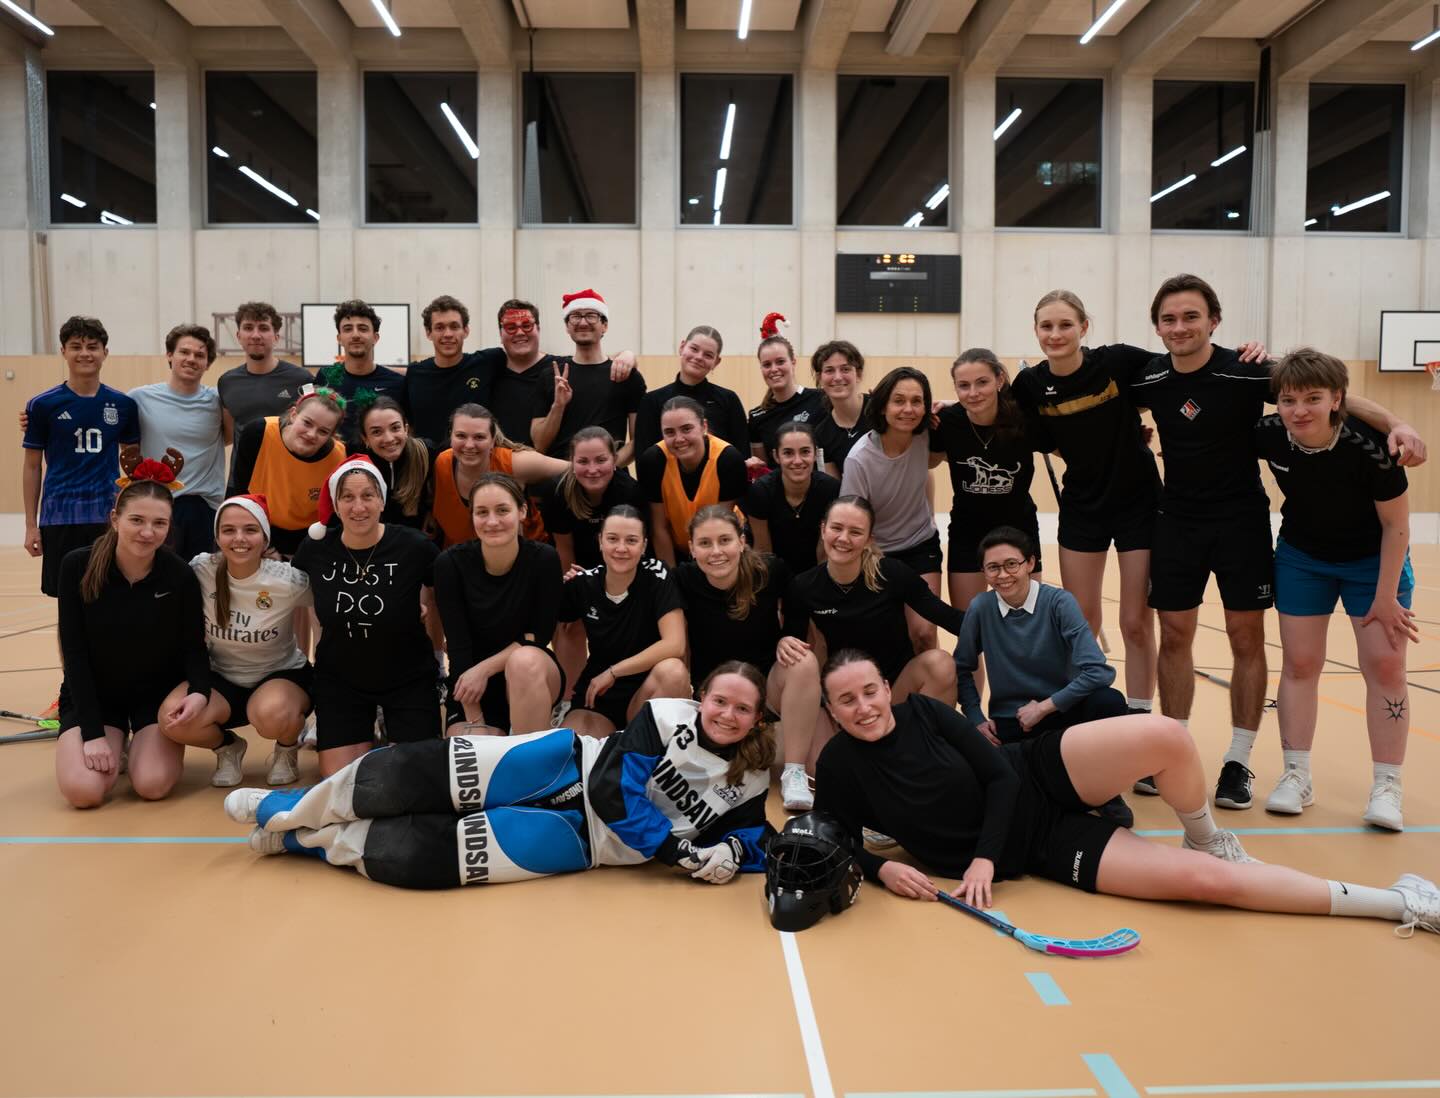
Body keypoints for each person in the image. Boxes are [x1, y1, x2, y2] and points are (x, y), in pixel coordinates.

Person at [812, 648, 1438, 940]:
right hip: (1043, 846)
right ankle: (1397, 903)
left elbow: (1001, 775)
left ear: (884, 686)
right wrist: (880, 869)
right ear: (832, 711)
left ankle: (1210, 838)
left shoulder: (922, 711)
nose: (864, 707)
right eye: (847, 700)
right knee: (1206, 887)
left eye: (870, 691)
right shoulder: (840, 766)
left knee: (1167, 735)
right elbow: (826, 837)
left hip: (1037, 774)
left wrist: (980, 857)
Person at [1125, 275, 1425, 811]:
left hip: (1241, 523)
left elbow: (1330, 395)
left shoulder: (1248, 372)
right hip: (1177, 523)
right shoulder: (1146, 379)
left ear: (1214, 321)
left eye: (1191, 316)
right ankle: (1171, 748)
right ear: (1156, 326)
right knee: (1175, 635)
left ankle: (1239, 761)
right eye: (1169, 318)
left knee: (1248, 638)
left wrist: (1399, 421)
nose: (1180, 327)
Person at [220, 663, 776, 891]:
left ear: (757, 719)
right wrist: (676, 853)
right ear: (702, 697)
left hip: (588, 845)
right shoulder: (665, 716)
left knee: (418, 860)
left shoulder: (751, 779)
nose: (727, 715)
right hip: (563, 765)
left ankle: (302, 841)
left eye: (742, 710)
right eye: (720, 701)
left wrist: (730, 848)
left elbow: (758, 839)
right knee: (401, 776)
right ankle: (282, 808)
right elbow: (614, 790)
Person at [1256, 349, 1418, 831]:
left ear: (1336, 400)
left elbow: (1397, 527)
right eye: (1288, 400)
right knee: (1300, 664)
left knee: (1385, 667)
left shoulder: (1370, 447)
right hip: (1303, 557)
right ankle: (1295, 775)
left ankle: (1387, 785)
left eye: (1313, 398)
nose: (1299, 410)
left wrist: (1386, 597)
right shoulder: (1268, 435)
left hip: (1373, 562)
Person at [953, 527, 1131, 825]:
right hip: (1013, 722)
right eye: (993, 567)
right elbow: (961, 667)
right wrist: (975, 717)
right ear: (983, 572)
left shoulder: (1059, 602)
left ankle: (1106, 791)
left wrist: (1046, 706)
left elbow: (1099, 670)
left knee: (1109, 701)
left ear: (1030, 563)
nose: (1003, 574)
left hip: (1063, 713)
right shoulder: (981, 608)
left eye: (1012, 564)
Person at [54, 476, 212, 809]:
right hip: (97, 696)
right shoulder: (76, 567)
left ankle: (138, 744)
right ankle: (113, 740)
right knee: (84, 792)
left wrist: (199, 691)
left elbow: (193, 647)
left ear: (169, 527)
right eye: (136, 520)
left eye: (159, 523)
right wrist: (93, 734)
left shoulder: (179, 574)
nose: (147, 532)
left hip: (154, 697)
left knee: (152, 785)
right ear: (115, 519)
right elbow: (74, 654)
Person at [291, 457, 441, 776]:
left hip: (408, 677)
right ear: (336, 503)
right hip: (341, 678)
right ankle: (366, 734)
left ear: (382, 501)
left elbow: (444, 592)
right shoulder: (316, 549)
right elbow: (291, 594)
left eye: (367, 496)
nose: (358, 506)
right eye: (348, 497)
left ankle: (391, 727)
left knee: (417, 775)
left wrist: (424, 610)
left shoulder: (414, 546)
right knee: (340, 779)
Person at [678, 506, 827, 813]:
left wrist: (789, 634)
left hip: (764, 687)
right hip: (710, 691)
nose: (716, 551)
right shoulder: (682, 579)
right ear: (691, 548)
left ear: (741, 541)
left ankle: (794, 771)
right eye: (705, 543)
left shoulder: (768, 570)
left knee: (803, 660)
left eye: (725, 540)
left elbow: (797, 599)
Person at [163, 495, 314, 788]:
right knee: (172, 717)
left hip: (279, 675)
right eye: (229, 530)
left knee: (271, 714)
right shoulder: (201, 570)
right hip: (222, 677)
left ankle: (287, 748)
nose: (239, 539)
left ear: (265, 536)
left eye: (250, 530)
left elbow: (333, 597)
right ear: (217, 536)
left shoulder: (287, 580)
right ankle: (227, 747)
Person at [786, 497, 961, 706]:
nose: (844, 538)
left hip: (896, 689)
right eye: (837, 528)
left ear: (869, 539)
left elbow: (946, 616)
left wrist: (1001, 621)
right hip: (846, 693)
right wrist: (783, 642)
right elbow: (792, 640)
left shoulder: (892, 573)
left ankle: (924, 735)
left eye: (855, 532)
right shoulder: (804, 586)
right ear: (823, 530)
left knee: (940, 663)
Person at [434, 473, 564, 736]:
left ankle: (533, 757)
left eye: (502, 510)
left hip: (529, 672)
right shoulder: (449, 565)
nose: (492, 521)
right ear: (472, 517)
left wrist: (485, 668)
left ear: (523, 511)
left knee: (524, 661)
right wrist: (476, 721)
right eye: (482, 512)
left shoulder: (544, 559)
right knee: (475, 752)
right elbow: (459, 649)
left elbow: (537, 637)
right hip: (469, 681)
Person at [23, 316, 141, 602]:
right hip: (59, 517)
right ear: (63, 351)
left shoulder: (123, 405)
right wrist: (30, 524)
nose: (85, 353)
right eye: (76, 346)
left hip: (107, 518)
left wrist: (132, 514)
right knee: (68, 602)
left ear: (105, 353)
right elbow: (31, 466)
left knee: (109, 597)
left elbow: (132, 464)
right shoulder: (42, 405)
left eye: (92, 346)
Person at [931, 349, 1045, 619]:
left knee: (1027, 625)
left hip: (1019, 530)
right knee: (969, 625)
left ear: (999, 380)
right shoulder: (947, 423)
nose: (973, 392)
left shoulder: (1024, 419)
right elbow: (924, 462)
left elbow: (1072, 444)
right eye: (964, 386)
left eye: (982, 382)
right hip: (967, 532)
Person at [840, 366, 947, 652]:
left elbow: (973, 408)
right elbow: (852, 522)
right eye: (899, 401)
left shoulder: (926, 436)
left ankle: (933, 696)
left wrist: (945, 406)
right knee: (885, 639)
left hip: (920, 546)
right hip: (876, 554)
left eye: (917, 401)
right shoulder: (859, 459)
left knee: (924, 634)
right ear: (883, 405)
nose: (908, 409)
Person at [558, 507, 690, 737]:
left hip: (648, 685)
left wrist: (614, 672)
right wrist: (559, 586)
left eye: (631, 540)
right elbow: (549, 622)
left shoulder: (657, 575)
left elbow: (675, 644)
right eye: (612, 539)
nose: (621, 548)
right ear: (600, 541)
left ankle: (644, 754)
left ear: (644, 545)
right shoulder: (584, 583)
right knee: (574, 750)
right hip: (599, 690)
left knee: (673, 671)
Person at [128, 324, 230, 560]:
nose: (191, 359)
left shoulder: (219, 401)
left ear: (208, 363)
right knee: (154, 577)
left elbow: (230, 436)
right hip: (155, 503)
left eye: (200, 355)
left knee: (197, 582)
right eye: (184, 352)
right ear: (170, 355)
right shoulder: (139, 398)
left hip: (202, 506)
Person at [227, 384, 348, 556]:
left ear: (332, 435)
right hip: (260, 531)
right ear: (293, 414)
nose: (312, 434)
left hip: (310, 540)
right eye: (307, 423)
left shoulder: (339, 457)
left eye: (323, 431)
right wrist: (260, 543)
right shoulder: (258, 433)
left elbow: (335, 515)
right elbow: (240, 490)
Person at [529, 289, 647, 465]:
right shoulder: (551, 376)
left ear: (604, 325)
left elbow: (639, 440)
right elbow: (539, 445)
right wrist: (558, 406)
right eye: (575, 316)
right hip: (560, 477)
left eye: (591, 316)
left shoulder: (626, 375)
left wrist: (606, 469)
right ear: (567, 327)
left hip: (611, 479)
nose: (583, 322)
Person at [428, 404, 567, 548]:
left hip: (523, 558)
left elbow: (577, 470)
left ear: (492, 440)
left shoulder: (514, 463)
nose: (469, 445)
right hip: (462, 559)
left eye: (479, 437)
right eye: (461, 436)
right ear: (451, 436)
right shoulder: (441, 463)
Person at [636, 396, 748, 567]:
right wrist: (671, 578)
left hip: (719, 547)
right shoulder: (653, 461)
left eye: (686, 429)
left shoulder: (728, 459)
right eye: (670, 432)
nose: (679, 439)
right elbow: (659, 528)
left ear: (704, 427)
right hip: (674, 549)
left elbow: (719, 526)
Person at [542, 427, 649, 571]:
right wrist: (576, 586)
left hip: (620, 565)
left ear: (614, 460)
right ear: (572, 462)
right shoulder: (557, 492)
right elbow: (564, 548)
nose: (592, 470)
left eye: (601, 460)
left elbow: (634, 548)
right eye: (583, 461)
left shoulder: (631, 492)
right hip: (577, 566)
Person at [634, 325, 749, 455]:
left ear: (716, 362)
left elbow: (742, 455)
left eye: (708, 355)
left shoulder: (729, 400)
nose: (699, 357)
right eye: (694, 349)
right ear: (682, 347)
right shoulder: (652, 401)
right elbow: (644, 458)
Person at [744, 421, 840, 575]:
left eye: (805, 452)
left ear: (815, 454)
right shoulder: (760, 491)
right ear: (776, 456)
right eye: (788, 453)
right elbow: (763, 551)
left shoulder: (830, 489)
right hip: (774, 570)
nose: (797, 461)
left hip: (816, 571)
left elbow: (825, 552)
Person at [215, 301, 312, 433]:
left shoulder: (304, 379)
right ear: (239, 336)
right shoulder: (226, 382)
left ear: (276, 337)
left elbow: (313, 423)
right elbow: (229, 433)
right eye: (248, 328)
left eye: (263, 328)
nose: (255, 335)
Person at [322, 300, 406, 449]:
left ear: (375, 337)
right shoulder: (325, 377)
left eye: (363, 328)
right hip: (335, 465)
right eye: (348, 329)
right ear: (339, 338)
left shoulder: (397, 383)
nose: (355, 335)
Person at [746, 330, 826, 469]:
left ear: (793, 362)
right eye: (767, 364)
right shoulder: (756, 416)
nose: (774, 369)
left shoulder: (821, 399)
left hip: (819, 487)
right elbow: (763, 470)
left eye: (780, 361)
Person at [358, 396, 436, 533]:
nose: (388, 439)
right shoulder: (355, 460)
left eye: (395, 428)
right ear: (365, 439)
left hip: (417, 539)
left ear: (406, 429)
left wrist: (432, 511)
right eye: (376, 432)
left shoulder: (426, 452)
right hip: (373, 540)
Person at [810, 340, 869, 476]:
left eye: (845, 369)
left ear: (858, 374)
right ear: (820, 378)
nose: (837, 377)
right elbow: (835, 487)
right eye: (829, 370)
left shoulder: (880, 411)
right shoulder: (821, 435)